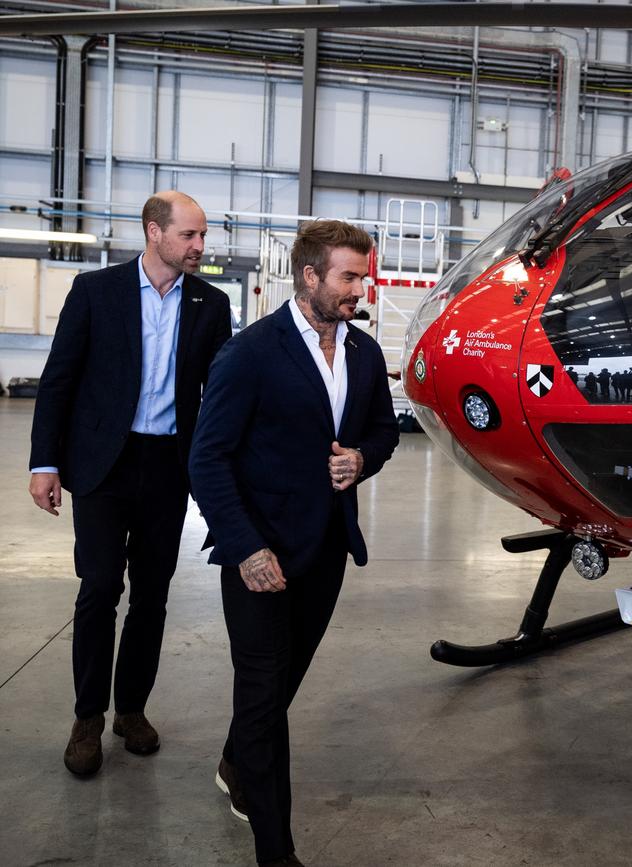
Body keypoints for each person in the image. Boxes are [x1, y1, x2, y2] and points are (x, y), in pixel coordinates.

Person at [189, 220, 400, 867]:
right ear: (309, 275)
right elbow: (207, 457)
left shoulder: (362, 353)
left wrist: (360, 459)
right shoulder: (252, 351)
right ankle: (276, 853)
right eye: (348, 276)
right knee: (262, 696)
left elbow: (384, 431)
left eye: (362, 276)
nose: (359, 288)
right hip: (259, 555)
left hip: (324, 551)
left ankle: (236, 759)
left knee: (280, 685)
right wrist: (246, 547)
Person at [29, 191, 232, 776]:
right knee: (98, 589)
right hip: (100, 463)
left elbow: (219, 395)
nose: (199, 246)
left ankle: (131, 709)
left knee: (153, 593)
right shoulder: (96, 292)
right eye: (189, 236)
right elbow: (59, 381)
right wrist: (45, 463)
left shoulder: (209, 303)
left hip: (169, 464)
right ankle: (87, 717)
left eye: (202, 236)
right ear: (154, 232)